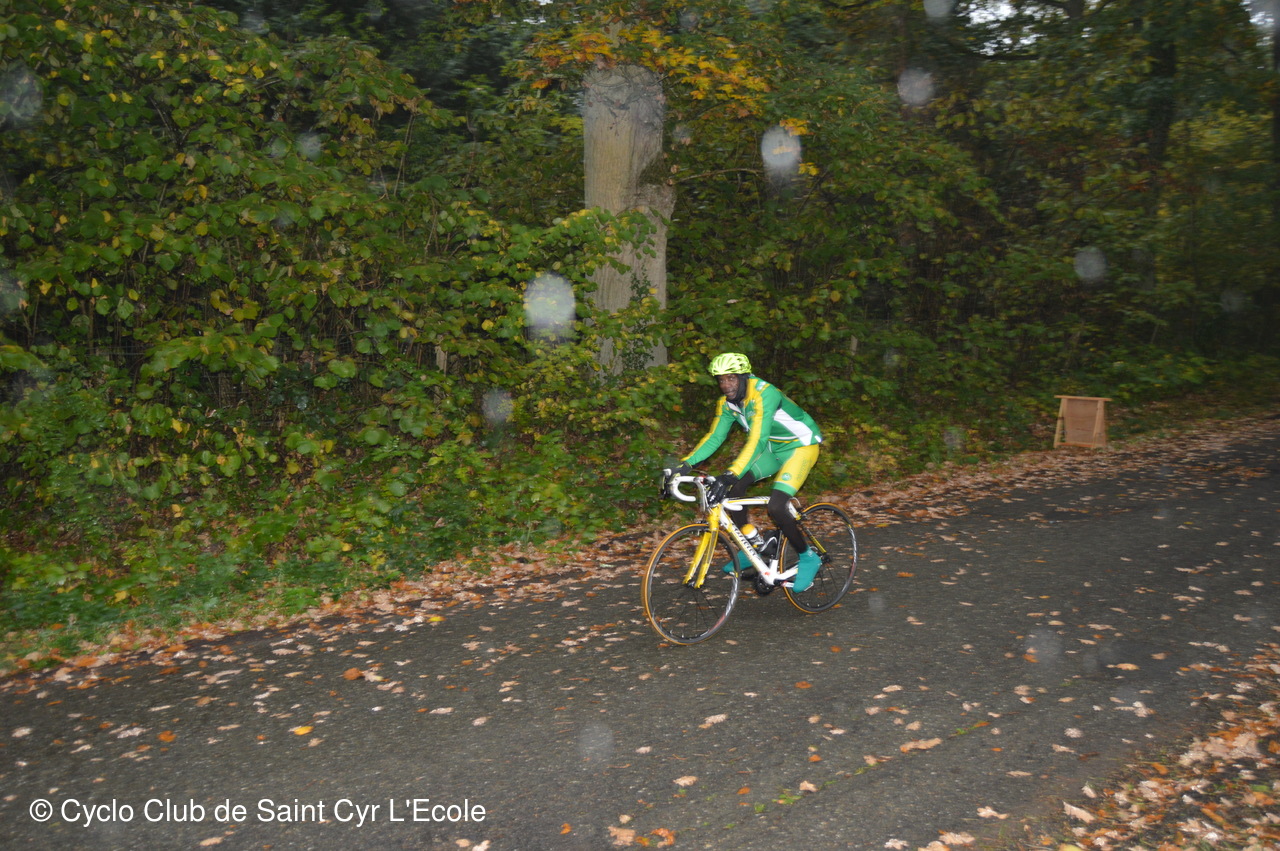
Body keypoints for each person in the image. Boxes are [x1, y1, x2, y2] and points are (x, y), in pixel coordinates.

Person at [666, 352, 824, 592]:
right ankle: (754, 544)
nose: (725, 385)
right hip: (772, 448)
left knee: (776, 506)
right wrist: (685, 464)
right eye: (721, 379)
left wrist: (732, 472)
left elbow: (757, 439)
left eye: (731, 378)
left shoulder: (764, 394)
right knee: (733, 490)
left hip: (800, 446)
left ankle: (808, 556)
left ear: (744, 377)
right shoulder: (727, 403)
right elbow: (715, 437)